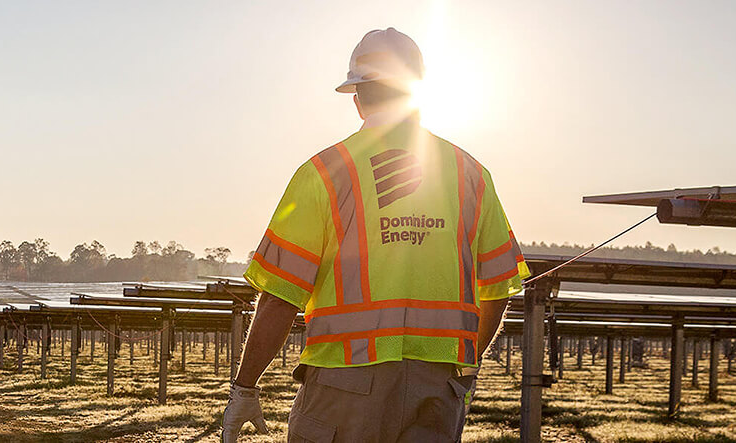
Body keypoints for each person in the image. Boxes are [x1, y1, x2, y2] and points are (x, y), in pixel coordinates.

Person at [220, 28, 529, 442]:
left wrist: (245, 386)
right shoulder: (470, 174)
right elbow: (497, 288)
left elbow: (280, 295)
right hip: (437, 390)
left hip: (342, 387)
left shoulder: (325, 173)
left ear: (357, 98)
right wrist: (464, 369)